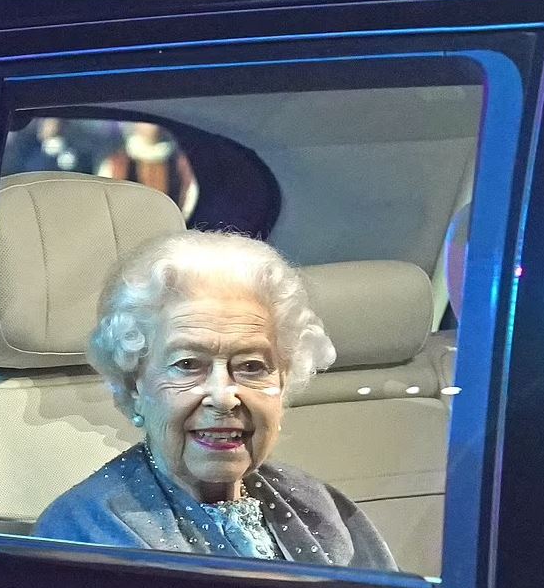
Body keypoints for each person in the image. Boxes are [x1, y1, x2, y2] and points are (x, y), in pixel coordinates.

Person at [33, 231, 397, 570]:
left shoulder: (318, 506)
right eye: (188, 365)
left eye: (252, 366)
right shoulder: (83, 534)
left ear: (283, 384)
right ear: (134, 388)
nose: (223, 397)